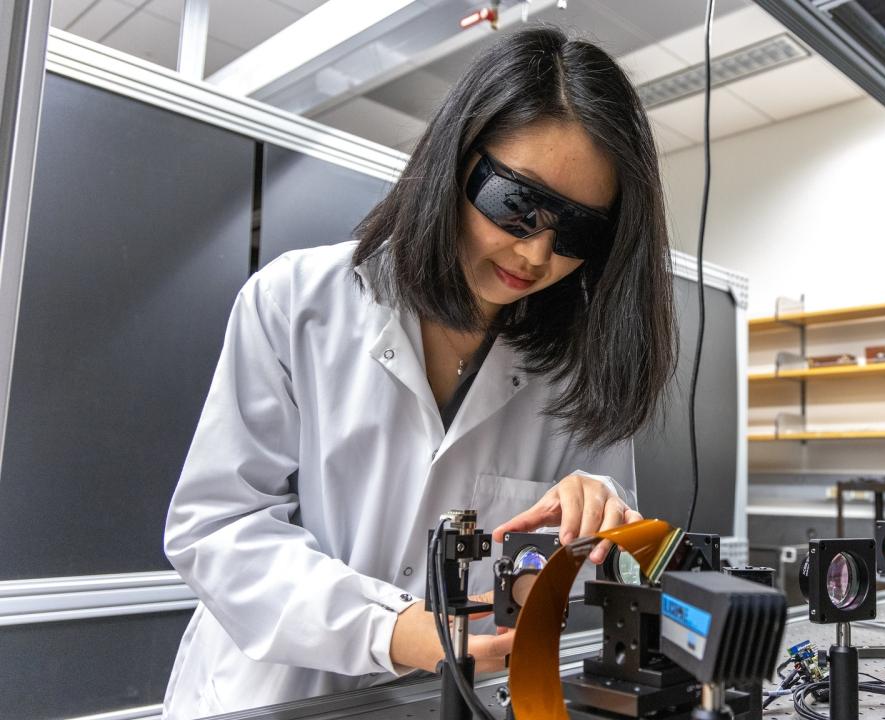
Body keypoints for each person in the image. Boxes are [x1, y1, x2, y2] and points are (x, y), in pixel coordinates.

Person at [161, 26, 675, 718]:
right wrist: (399, 630)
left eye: (579, 232)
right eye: (517, 205)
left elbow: (590, 574)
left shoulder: (577, 371)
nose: (537, 252)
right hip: (272, 696)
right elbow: (220, 528)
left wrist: (591, 529)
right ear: (455, 159)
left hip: (453, 702)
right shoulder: (296, 302)